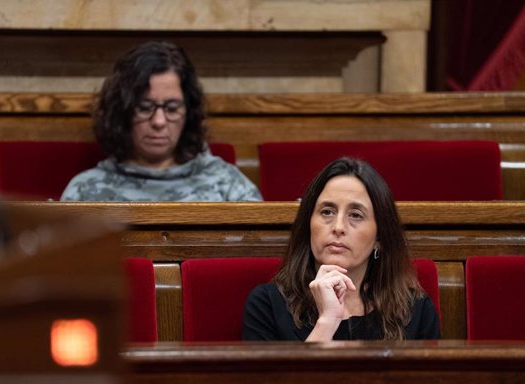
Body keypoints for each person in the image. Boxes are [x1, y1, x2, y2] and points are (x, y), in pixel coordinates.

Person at [243, 157, 441, 341]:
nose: (338, 227)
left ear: (379, 237)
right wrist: (327, 322)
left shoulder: (414, 310)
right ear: (308, 224)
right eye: (327, 212)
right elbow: (281, 381)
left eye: (355, 215)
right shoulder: (267, 304)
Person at [60, 41, 262, 202]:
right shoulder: (84, 191)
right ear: (123, 111)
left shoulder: (227, 186)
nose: (158, 121)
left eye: (172, 109)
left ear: (188, 112)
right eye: (145, 108)